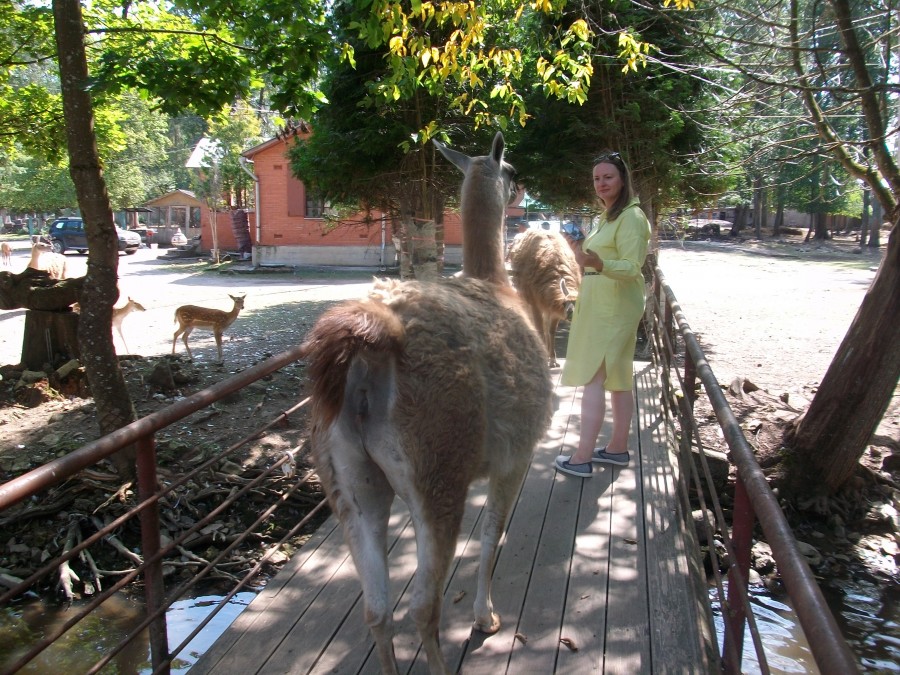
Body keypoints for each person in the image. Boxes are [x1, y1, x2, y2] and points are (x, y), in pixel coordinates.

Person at [554, 151, 651, 478]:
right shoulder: (609, 216)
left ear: (622, 179)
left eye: (608, 177)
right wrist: (580, 252)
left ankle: (581, 458)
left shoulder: (632, 218)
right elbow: (593, 259)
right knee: (619, 377)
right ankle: (617, 449)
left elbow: (631, 267)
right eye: (597, 178)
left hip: (614, 303)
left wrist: (597, 263)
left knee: (595, 376)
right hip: (603, 300)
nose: (601, 183)